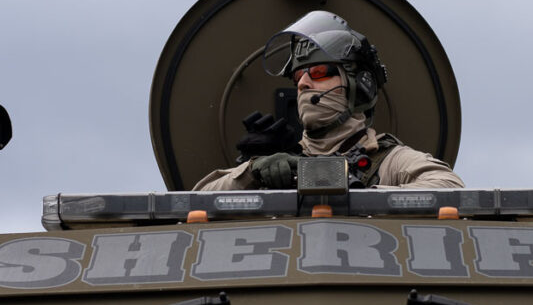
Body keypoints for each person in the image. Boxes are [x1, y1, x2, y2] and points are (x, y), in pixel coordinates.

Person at [194, 10, 463, 191]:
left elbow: (448, 187)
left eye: (319, 72)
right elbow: (194, 202)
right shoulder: (281, 161)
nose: (303, 83)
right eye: (299, 76)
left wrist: (345, 185)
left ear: (360, 87)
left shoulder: (389, 161)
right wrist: (252, 172)